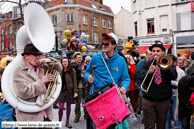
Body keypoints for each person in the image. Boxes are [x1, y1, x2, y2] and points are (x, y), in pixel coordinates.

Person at [84, 32, 130, 129]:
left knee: (111, 125)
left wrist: (124, 87)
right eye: (102, 44)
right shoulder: (96, 58)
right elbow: (87, 72)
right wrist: (88, 77)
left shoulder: (121, 60)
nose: (103, 46)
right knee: (95, 125)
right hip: (96, 97)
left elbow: (125, 78)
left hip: (112, 98)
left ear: (114, 45)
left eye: (106, 44)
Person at [12, 44, 62, 122]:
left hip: (46, 115)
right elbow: (23, 91)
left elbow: (59, 68)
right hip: (30, 117)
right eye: (35, 55)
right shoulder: (18, 71)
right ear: (26, 56)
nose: (38, 57)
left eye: (39, 55)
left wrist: (48, 60)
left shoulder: (43, 66)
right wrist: (41, 82)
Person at [139, 41, 177, 129]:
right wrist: (148, 73)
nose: (155, 53)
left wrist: (166, 67)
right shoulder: (146, 63)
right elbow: (141, 78)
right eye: (153, 51)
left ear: (162, 52)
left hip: (163, 99)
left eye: (158, 51)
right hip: (148, 99)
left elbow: (174, 76)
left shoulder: (168, 62)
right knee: (149, 125)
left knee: (162, 125)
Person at [165, 54, 184, 129]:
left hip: (176, 96)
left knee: (176, 114)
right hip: (167, 95)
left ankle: (177, 127)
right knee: (167, 115)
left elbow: (182, 84)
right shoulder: (164, 70)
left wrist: (170, 83)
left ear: (174, 62)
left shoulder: (180, 71)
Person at [58, 57, 78, 128]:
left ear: (68, 62)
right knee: (60, 107)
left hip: (69, 90)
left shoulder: (72, 70)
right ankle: (59, 122)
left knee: (69, 107)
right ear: (61, 63)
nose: (65, 63)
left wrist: (75, 92)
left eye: (66, 61)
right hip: (61, 91)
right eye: (64, 61)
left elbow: (75, 81)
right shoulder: (59, 70)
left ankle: (67, 122)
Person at [135, 49, 152, 116]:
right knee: (145, 102)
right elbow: (137, 74)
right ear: (146, 55)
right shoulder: (141, 63)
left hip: (152, 86)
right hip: (144, 85)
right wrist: (140, 85)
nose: (152, 55)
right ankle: (145, 117)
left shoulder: (154, 61)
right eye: (150, 54)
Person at [72, 52, 86, 123]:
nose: (80, 59)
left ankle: (86, 115)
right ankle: (77, 116)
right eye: (78, 57)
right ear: (75, 58)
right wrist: (80, 75)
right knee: (78, 102)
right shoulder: (73, 65)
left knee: (86, 101)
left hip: (85, 85)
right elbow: (73, 75)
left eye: (81, 57)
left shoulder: (84, 64)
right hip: (78, 86)